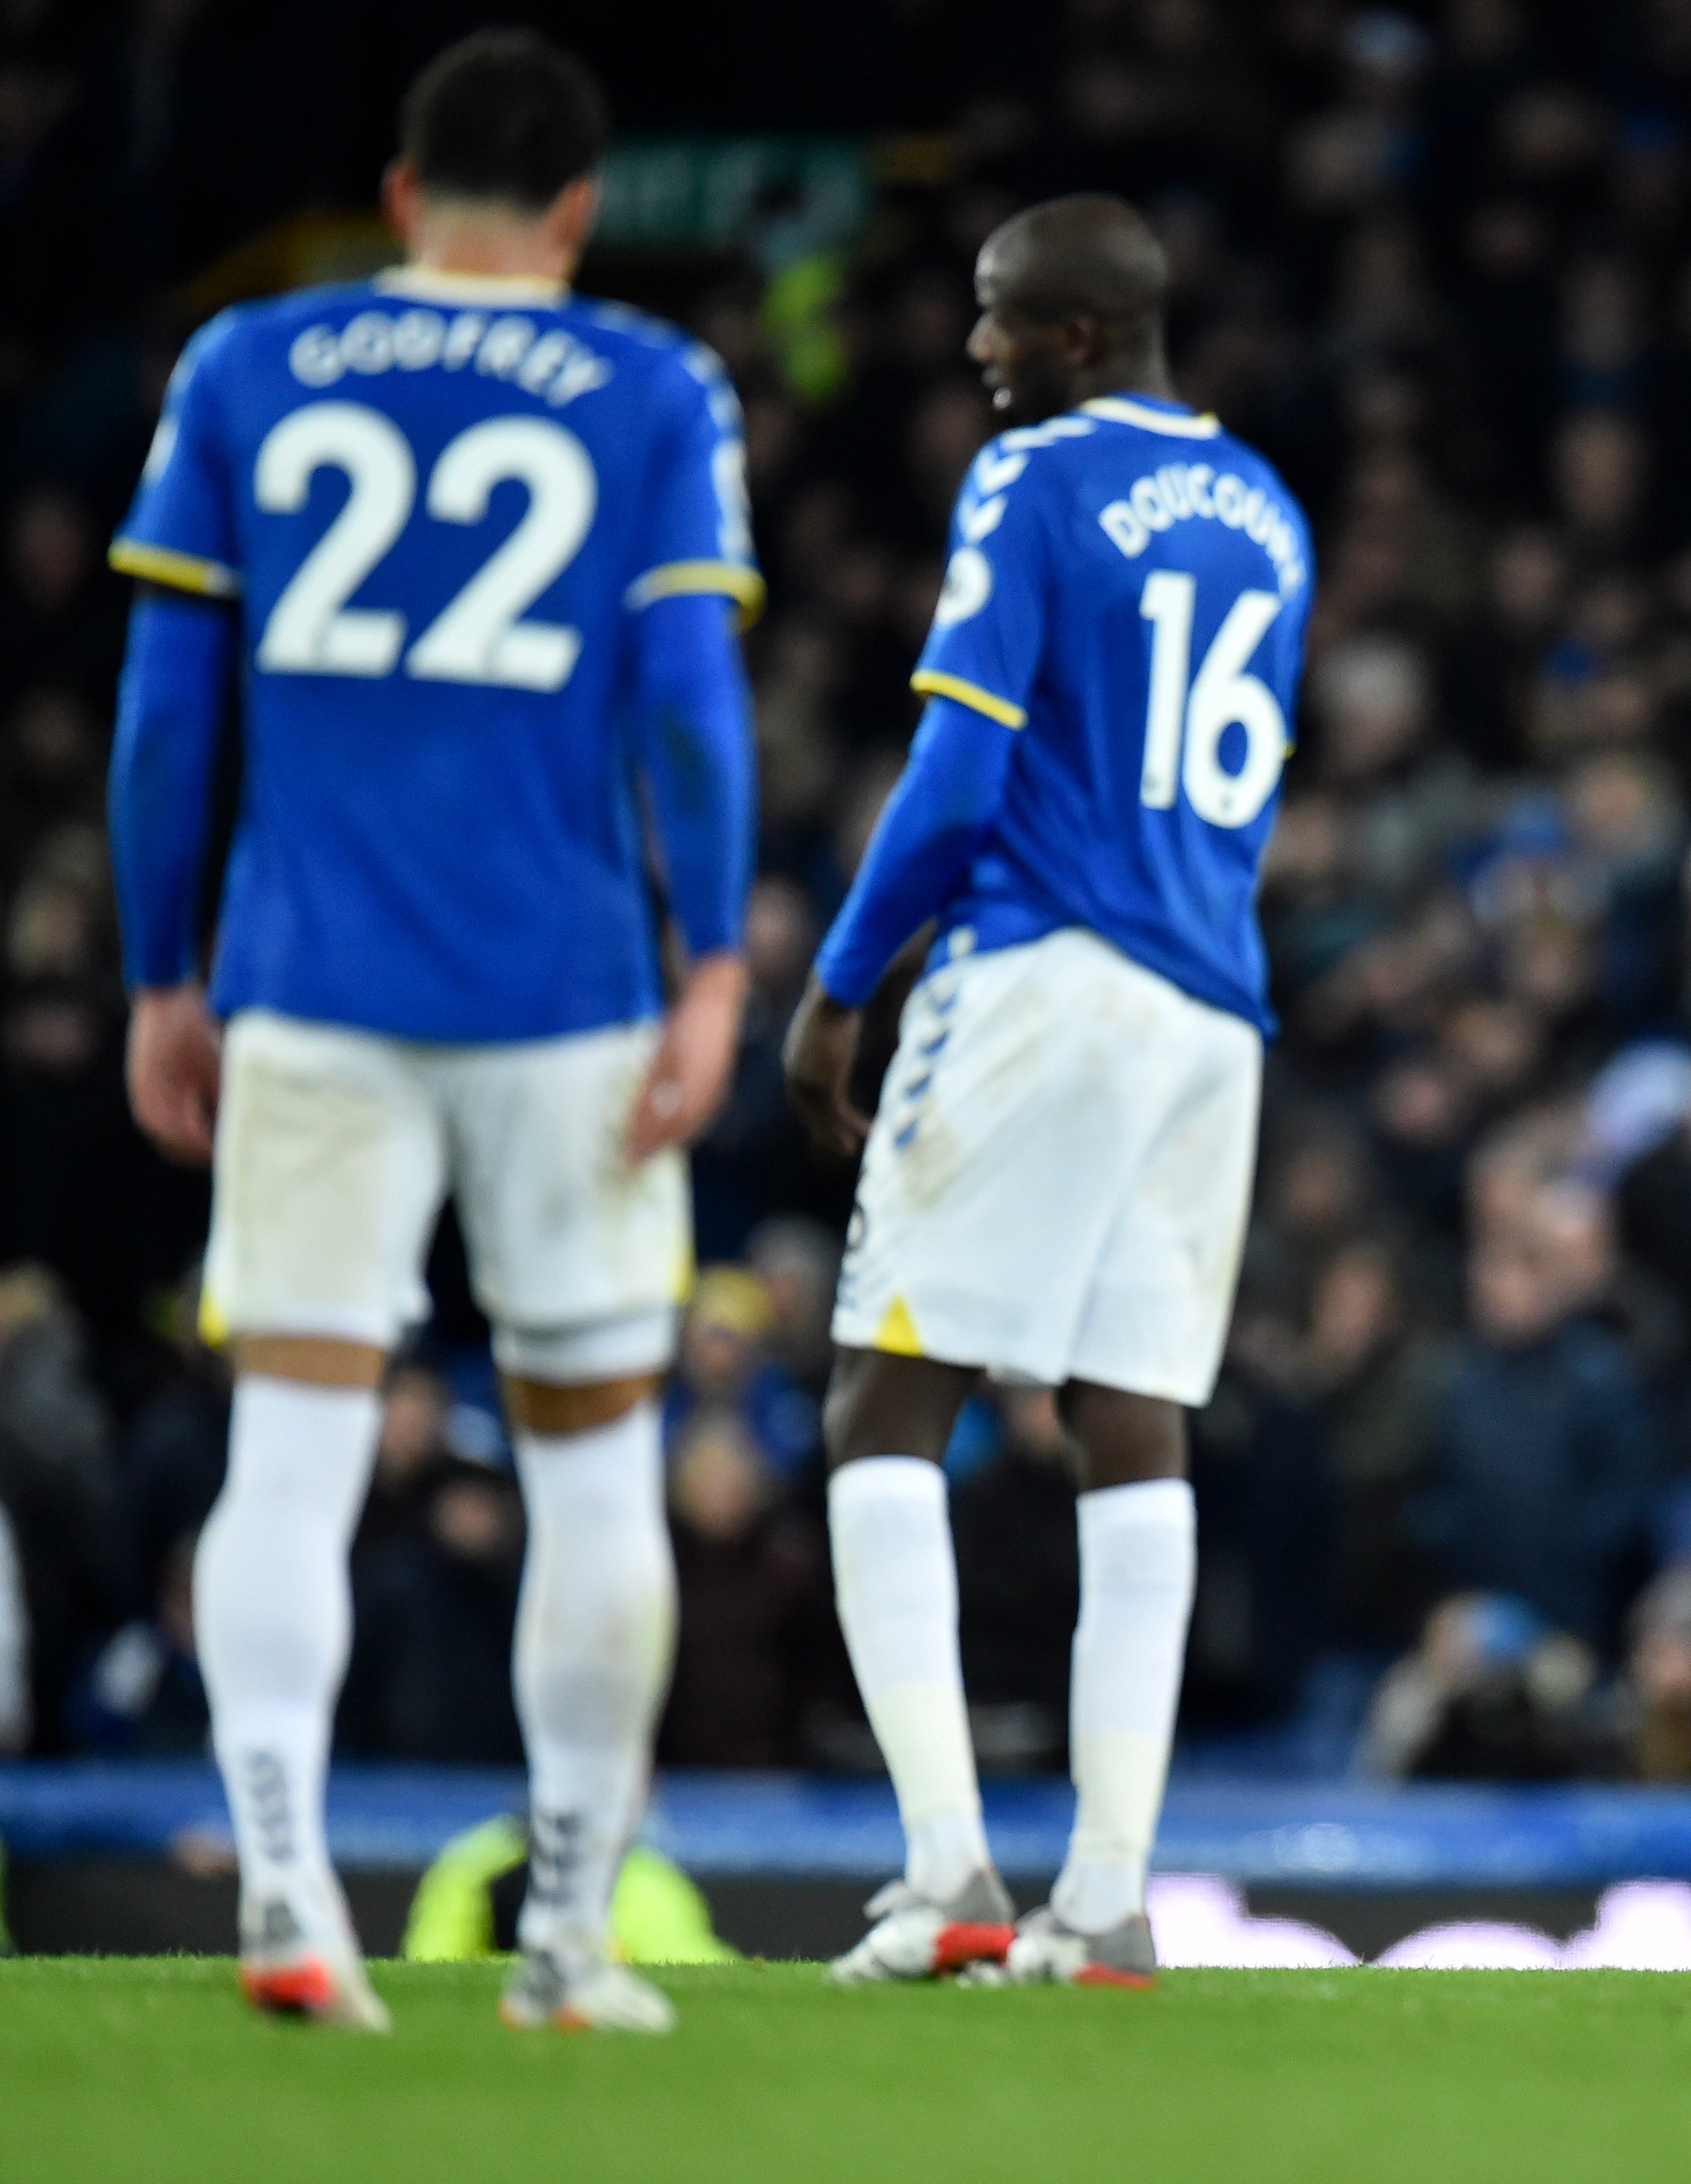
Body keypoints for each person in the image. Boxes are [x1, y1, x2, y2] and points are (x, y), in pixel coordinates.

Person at [106, 31, 757, 2032]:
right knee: (592, 1473)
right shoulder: (656, 384)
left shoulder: (244, 365)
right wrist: (714, 959)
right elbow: (684, 703)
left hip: (309, 987)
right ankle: (565, 1935)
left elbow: (163, 714)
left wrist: (159, 970)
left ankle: (286, 1891)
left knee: (288, 1458)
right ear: (575, 214)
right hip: (564, 1002)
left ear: (401, 197)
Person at [782, 195, 1311, 1992]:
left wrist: (845, 979)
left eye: (1000, 317)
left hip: (1043, 971)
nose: (975, 347)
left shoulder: (1036, 481)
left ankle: (944, 1873)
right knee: (1132, 1412)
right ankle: (1104, 1895)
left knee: (879, 1404)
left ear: (1078, 335)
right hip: (1209, 1001)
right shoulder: (1271, 514)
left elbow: (953, 762)